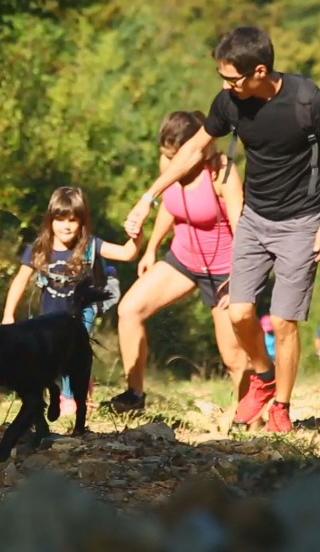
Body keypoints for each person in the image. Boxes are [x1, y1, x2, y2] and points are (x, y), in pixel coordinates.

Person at [124, 26, 320, 432]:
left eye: (232, 78)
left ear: (260, 71)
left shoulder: (307, 100)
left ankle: (281, 408)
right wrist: (149, 197)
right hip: (255, 219)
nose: (225, 85)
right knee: (239, 312)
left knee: (285, 322)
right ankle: (264, 377)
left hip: (301, 222)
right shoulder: (229, 103)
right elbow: (193, 149)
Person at [108, 111, 249, 413]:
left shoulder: (221, 171)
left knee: (233, 354)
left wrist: (239, 275)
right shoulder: (169, 166)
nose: (170, 162)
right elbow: (170, 207)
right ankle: (133, 395)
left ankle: (248, 416)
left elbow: (241, 227)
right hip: (183, 260)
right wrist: (151, 248)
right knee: (129, 309)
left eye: (176, 155)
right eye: (166, 155)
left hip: (224, 269)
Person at [1, 186, 141, 415]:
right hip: (50, 315)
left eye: (72, 220)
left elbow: (127, 254)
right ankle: (74, 389)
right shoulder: (39, 249)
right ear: (50, 220)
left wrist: (137, 235)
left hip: (80, 312)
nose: (66, 225)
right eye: (60, 219)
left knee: (72, 349)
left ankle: (69, 399)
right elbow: (20, 280)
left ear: (82, 222)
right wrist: (8, 315)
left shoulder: (89, 246)